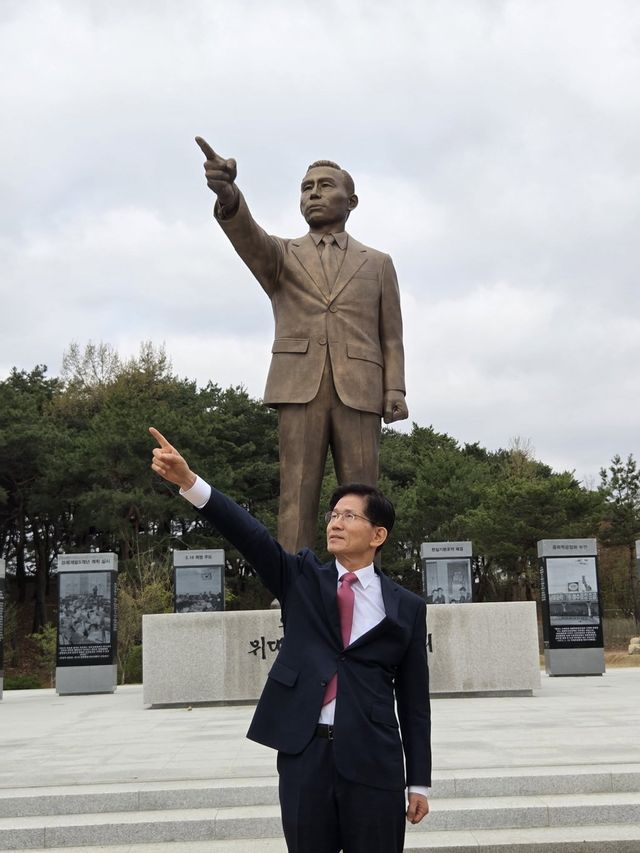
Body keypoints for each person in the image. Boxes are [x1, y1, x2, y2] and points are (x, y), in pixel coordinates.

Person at [149, 427, 430, 853]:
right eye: (333, 514)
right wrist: (190, 483)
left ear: (378, 535)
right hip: (305, 754)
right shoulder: (300, 578)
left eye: (349, 516)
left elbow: (414, 702)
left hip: (374, 758)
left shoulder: (406, 606)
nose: (335, 522)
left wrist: (419, 782)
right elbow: (249, 535)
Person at [195, 138, 408, 553]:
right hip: (298, 385)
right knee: (296, 490)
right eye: (306, 187)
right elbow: (248, 236)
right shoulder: (281, 256)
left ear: (352, 200)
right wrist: (228, 194)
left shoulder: (378, 262)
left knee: (363, 496)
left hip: (361, 388)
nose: (313, 193)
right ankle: (292, 587)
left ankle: (363, 583)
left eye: (325, 185)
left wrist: (395, 389)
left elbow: (392, 335)